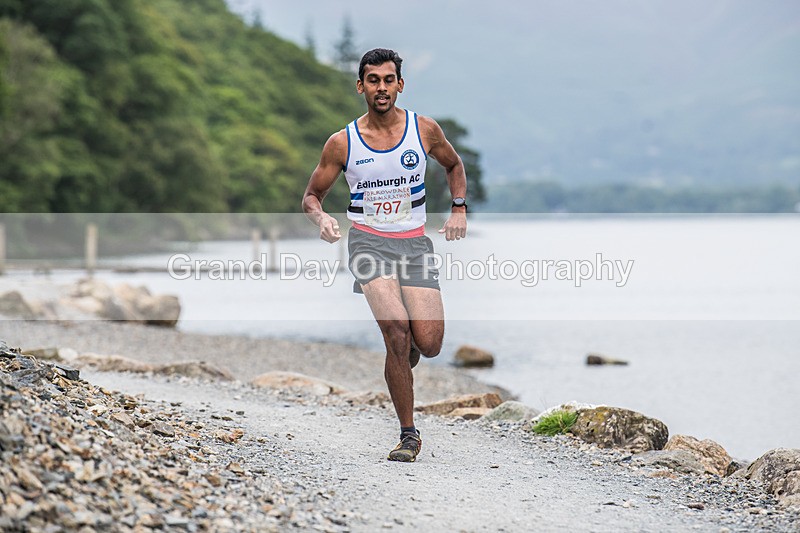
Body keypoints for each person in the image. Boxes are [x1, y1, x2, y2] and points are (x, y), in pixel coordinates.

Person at [302, 48, 468, 462]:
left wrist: (459, 208)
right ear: (360, 86)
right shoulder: (342, 142)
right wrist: (321, 218)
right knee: (395, 331)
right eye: (373, 80)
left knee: (428, 344)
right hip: (368, 243)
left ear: (400, 85)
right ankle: (409, 435)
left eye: (388, 80)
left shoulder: (423, 130)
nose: (381, 87)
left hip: (414, 244)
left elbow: (453, 165)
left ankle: (405, 352)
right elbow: (311, 196)